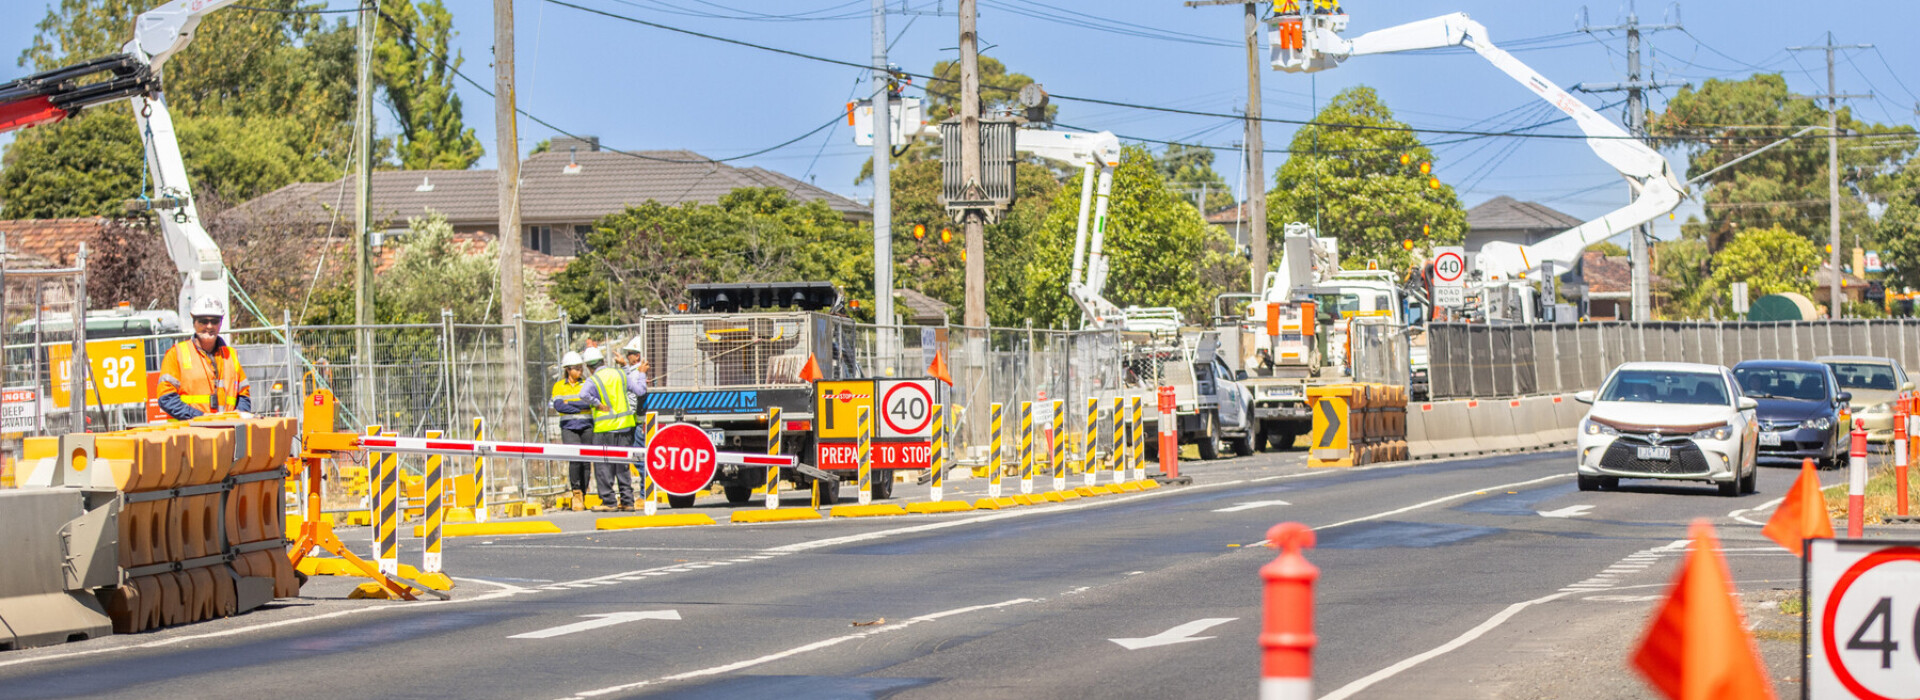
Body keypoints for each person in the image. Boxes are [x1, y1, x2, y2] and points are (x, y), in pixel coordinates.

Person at [157, 296, 252, 420]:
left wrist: (237, 417)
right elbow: (166, 397)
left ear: (221, 323)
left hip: (227, 431)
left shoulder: (231, 355)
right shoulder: (176, 354)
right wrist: (200, 418)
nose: (209, 326)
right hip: (190, 432)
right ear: (194, 322)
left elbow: (244, 395)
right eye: (203, 321)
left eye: (214, 321)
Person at [574, 346, 636, 511]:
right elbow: (638, 390)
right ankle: (628, 500)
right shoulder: (620, 374)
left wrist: (597, 404)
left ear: (589, 367)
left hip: (604, 427)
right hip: (625, 426)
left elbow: (583, 394)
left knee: (603, 466)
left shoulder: (593, 380)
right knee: (622, 465)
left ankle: (609, 501)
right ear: (603, 361)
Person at [549, 351, 592, 511]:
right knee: (575, 459)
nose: (580, 371)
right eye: (576, 368)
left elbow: (590, 403)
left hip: (587, 426)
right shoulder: (559, 386)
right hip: (568, 427)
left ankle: (585, 493)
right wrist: (579, 405)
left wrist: (571, 404)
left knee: (586, 461)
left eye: (581, 368)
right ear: (568, 369)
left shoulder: (587, 383)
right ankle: (576, 493)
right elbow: (558, 406)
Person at [621, 337, 650, 445]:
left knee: (638, 453)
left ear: (637, 356)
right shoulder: (637, 370)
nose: (627, 357)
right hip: (640, 419)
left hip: (638, 420)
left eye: (629, 354)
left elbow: (634, 395)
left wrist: (629, 414)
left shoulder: (637, 372)